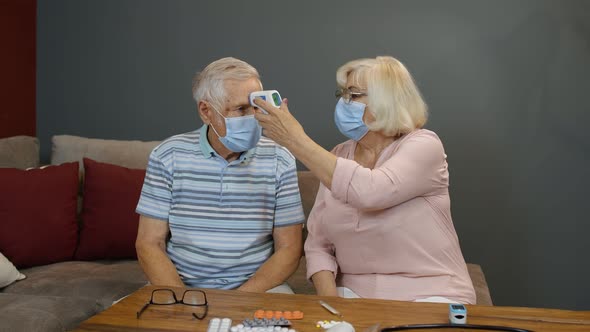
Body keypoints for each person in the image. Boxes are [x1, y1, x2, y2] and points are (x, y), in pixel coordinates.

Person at [254, 56, 476, 303]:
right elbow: (318, 245)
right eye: (342, 94)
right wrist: (331, 304)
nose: (343, 102)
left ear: (388, 101)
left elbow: (371, 192)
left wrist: (295, 139)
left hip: (431, 293)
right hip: (354, 295)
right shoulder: (338, 155)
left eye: (353, 95)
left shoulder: (424, 145)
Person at [135, 57, 305, 293]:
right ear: (206, 111)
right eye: (240, 109)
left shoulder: (280, 159)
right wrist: (184, 301)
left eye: (255, 106)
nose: (252, 117)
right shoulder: (167, 155)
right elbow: (148, 242)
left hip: (258, 289)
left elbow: (289, 248)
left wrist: (236, 301)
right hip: (179, 287)